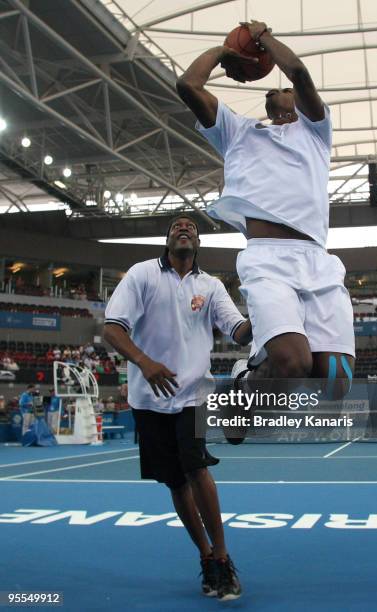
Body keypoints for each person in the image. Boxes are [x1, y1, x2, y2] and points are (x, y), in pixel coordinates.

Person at [176, 20, 355, 406]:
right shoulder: (237, 131)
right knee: (293, 365)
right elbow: (188, 85)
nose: (281, 89)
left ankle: (251, 379)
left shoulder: (315, 131)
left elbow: (300, 73)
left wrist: (263, 38)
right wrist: (226, 53)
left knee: (336, 385)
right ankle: (245, 382)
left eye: (287, 89)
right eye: (277, 87)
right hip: (268, 259)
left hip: (316, 259)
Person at [103, 215, 252, 601]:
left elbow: (239, 332)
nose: (183, 228)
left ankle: (222, 557)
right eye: (176, 226)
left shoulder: (211, 286)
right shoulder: (141, 275)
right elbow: (112, 328)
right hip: (148, 398)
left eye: (190, 227)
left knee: (196, 466)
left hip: (192, 395)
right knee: (175, 481)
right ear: (168, 240)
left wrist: (272, 311)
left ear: (198, 242)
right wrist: (145, 362)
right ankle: (205, 556)